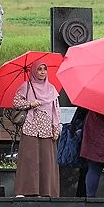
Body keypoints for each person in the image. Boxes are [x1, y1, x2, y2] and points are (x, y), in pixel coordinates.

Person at [12, 62, 62, 198]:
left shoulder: (51, 89)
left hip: (47, 128)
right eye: (39, 69)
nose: (42, 72)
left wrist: (56, 128)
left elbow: (55, 110)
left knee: (47, 159)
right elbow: (15, 102)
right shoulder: (26, 87)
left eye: (45, 70)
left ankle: (46, 191)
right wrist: (30, 103)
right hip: (31, 126)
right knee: (29, 158)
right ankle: (25, 190)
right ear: (34, 71)